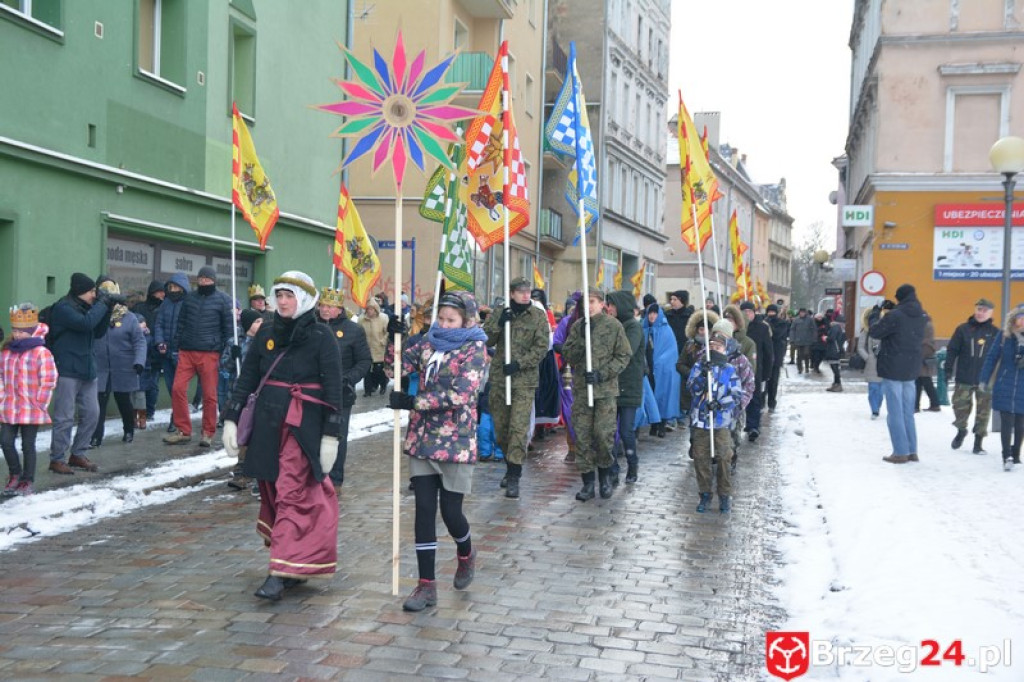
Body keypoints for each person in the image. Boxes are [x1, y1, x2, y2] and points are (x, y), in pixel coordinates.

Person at [221, 271, 343, 601]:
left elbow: (334, 390)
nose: (283, 301)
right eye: (280, 295)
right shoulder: (266, 334)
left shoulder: (322, 336)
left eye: (289, 296)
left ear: (303, 299)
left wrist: (331, 435)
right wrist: (231, 418)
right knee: (273, 490)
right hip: (267, 424)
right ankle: (294, 563)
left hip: (302, 427)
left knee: (292, 491)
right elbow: (247, 379)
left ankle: (278, 572)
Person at [387, 291, 489, 611]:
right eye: (441, 318)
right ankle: (426, 585)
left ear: (466, 321)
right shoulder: (429, 342)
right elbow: (395, 368)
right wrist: (396, 338)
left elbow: (462, 394)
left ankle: (466, 552)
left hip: (456, 438)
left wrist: (414, 402)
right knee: (424, 510)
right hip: (423, 437)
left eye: (451, 320)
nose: (444, 325)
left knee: (451, 512)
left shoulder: (475, 348)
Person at [482, 276, 550, 498]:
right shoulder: (501, 311)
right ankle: (510, 463)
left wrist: (520, 364)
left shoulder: (538, 315)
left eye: (527, 291)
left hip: (524, 379)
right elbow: (487, 339)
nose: (525, 295)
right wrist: (501, 322)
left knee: (518, 428)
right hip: (501, 378)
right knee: (501, 428)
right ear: (511, 293)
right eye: (520, 291)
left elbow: (541, 347)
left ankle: (514, 475)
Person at [562, 289, 632, 501]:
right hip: (582, 392)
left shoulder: (613, 326)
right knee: (582, 437)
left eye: (593, 302)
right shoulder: (577, 327)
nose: (589, 306)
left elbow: (623, 355)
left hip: (605, 392)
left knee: (603, 436)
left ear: (602, 304)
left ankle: (604, 478)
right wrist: (581, 339)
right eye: (586, 303)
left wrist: (602, 374)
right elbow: (568, 354)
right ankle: (587, 483)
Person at [47, 272, 117, 474]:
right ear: (80, 292)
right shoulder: (63, 308)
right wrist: (102, 305)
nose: (95, 295)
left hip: (87, 369)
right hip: (68, 369)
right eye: (92, 291)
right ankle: (57, 458)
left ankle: (78, 453)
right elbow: (85, 324)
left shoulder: (88, 308)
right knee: (64, 417)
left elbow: (98, 332)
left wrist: (107, 309)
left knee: (92, 414)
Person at [164, 266, 234, 448]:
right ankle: (183, 430)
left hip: (210, 353)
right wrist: (176, 346)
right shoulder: (189, 299)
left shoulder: (223, 300)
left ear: (214, 280)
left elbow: (228, 329)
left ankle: (208, 433)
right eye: (201, 278)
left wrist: (227, 351)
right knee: (178, 389)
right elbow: (181, 323)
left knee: (210, 396)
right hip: (186, 351)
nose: (204, 281)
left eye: (207, 278)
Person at [317, 287, 372, 495]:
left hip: (340, 393)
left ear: (339, 309)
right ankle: (315, 477)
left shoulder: (353, 330)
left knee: (336, 435)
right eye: (322, 305)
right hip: (313, 390)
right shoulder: (311, 326)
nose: (325, 310)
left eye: (329, 306)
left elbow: (364, 360)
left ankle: (335, 479)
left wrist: (349, 378)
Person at [1, 303, 57, 496]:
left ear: (32, 331)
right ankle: (15, 473)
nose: (18, 335)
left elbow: (49, 379)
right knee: (6, 442)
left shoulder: (41, 352)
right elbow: (0, 375)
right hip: (9, 406)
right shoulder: (7, 352)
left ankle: (27, 479)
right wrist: (2, 397)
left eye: (22, 332)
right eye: (15, 331)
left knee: (28, 445)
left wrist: (40, 402)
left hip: (31, 407)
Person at [687, 327, 744, 513]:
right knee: (701, 458)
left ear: (725, 349)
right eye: (712, 346)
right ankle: (704, 493)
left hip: (721, 422)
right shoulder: (699, 366)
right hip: (701, 422)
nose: (714, 350)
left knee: (723, 458)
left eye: (718, 347)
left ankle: (724, 495)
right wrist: (703, 376)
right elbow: (692, 389)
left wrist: (720, 404)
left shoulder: (729, 370)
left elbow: (736, 394)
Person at [870, 283, 927, 464]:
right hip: (911, 368)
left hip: (893, 366)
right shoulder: (921, 315)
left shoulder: (894, 316)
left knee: (895, 412)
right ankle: (912, 451)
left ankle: (900, 452)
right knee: (907, 412)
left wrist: (875, 312)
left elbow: (875, 331)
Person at [90, 278, 146, 445]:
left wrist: (139, 361)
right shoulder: (96, 314)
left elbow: (139, 341)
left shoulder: (129, 317)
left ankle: (128, 430)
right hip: (100, 367)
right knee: (98, 404)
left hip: (124, 366)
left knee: (124, 402)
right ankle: (95, 437)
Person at [945, 298, 999, 453]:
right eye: (979, 309)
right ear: (975, 310)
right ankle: (961, 430)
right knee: (960, 407)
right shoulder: (963, 329)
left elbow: (999, 356)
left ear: (991, 313)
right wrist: (948, 369)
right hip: (964, 377)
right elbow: (952, 350)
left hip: (985, 380)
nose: (981, 313)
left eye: (985, 311)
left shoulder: (995, 333)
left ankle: (978, 442)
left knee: (984, 411)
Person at [978, 304, 1024, 470]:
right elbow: (991, 358)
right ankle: (1007, 456)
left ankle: (1016, 453)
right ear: (1014, 319)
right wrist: (984, 379)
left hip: (1022, 387)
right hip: (1005, 384)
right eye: (1020, 317)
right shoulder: (1004, 336)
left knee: (1020, 423)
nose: (1023, 321)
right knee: (1006, 421)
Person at [606, 290, 645, 484]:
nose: (608, 308)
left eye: (611, 305)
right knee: (609, 429)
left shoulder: (633, 327)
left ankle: (632, 463)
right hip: (611, 386)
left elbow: (626, 351)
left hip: (629, 387)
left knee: (626, 430)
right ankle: (613, 467)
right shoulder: (614, 324)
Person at [225, 309, 264, 492]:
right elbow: (223, 365)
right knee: (242, 433)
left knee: (255, 433)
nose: (260, 325)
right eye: (256, 322)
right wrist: (233, 357)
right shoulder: (235, 341)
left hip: (257, 394)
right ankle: (241, 471)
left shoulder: (265, 342)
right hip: (238, 393)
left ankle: (252, 472)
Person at [153, 272, 190, 433]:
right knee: (170, 386)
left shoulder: (189, 303)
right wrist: (160, 342)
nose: (173, 290)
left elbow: (190, 328)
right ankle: (178, 415)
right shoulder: (165, 303)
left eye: (176, 287)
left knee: (178, 388)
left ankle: (176, 419)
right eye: (171, 287)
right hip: (166, 353)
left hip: (181, 353)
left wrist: (181, 346)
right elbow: (159, 324)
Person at [642, 302, 682, 437]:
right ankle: (653, 423)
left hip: (662, 369)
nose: (652, 316)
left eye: (654, 313)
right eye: (650, 313)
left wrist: (660, 362)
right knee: (651, 396)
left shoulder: (665, 330)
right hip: (648, 368)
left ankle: (662, 425)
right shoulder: (644, 329)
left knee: (663, 395)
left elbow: (671, 351)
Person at [130, 279, 164, 424]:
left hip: (154, 353)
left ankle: (148, 413)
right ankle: (139, 416)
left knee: (153, 386)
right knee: (139, 389)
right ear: (153, 292)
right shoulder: (139, 308)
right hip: (140, 355)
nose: (163, 294)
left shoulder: (164, 308)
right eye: (160, 291)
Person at [739, 301, 772, 441]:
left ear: (754, 312)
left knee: (754, 397)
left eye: (749, 311)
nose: (747, 314)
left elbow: (768, 352)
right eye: (744, 311)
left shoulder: (762, 328)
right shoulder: (737, 327)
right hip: (737, 368)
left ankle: (753, 426)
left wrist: (767, 373)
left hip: (756, 368)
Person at [858, 304, 886, 419]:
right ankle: (874, 410)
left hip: (884, 363)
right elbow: (860, 347)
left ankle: (877, 407)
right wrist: (868, 357)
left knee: (880, 391)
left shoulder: (886, 329)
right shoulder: (866, 331)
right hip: (872, 364)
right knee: (873, 388)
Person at [359, 296, 389, 397]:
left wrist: (383, 341)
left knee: (378, 370)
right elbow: (358, 333)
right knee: (366, 371)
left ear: (375, 309)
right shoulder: (362, 320)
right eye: (367, 309)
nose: (369, 311)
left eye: (371, 309)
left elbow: (388, 332)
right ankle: (367, 391)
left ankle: (383, 385)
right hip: (366, 349)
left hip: (379, 348)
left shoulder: (383, 318)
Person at [764, 304, 790, 407]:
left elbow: (776, 334)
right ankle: (762, 401)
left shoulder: (782, 323)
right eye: (769, 312)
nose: (771, 314)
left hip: (776, 354)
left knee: (773, 380)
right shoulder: (764, 322)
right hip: (765, 355)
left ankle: (772, 401)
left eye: (773, 312)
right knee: (764, 380)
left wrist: (768, 326)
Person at [914, 314, 940, 412]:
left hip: (922, 355)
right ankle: (932, 404)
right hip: (925, 355)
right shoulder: (927, 324)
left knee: (923, 382)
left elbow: (924, 340)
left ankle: (917, 405)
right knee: (922, 382)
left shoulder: (925, 325)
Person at [665, 290, 693, 355]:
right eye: (671, 299)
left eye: (675, 299)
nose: (672, 302)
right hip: (670, 349)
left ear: (682, 301)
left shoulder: (690, 316)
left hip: (685, 351)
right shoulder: (667, 315)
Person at [824, 312, 847, 393]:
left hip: (833, 350)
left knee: (835, 368)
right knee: (835, 368)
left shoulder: (835, 327)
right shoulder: (841, 329)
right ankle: (836, 384)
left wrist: (826, 338)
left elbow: (832, 338)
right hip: (837, 350)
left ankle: (838, 384)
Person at [790, 309, 816, 374]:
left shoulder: (810, 320)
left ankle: (807, 367)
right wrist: (792, 339)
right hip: (798, 340)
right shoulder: (796, 320)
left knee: (806, 354)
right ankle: (800, 368)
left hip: (807, 340)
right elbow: (792, 330)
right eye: (801, 312)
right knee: (799, 355)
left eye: (803, 312)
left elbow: (814, 329)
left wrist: (814, 338)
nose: (802, 314)